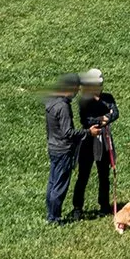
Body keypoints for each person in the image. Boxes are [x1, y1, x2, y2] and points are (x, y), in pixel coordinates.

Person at [44, 74, 92, 225]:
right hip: (63, 150)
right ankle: (55, 218)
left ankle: (50, 214)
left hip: (53, 147)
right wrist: (89, 132)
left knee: (52, 183)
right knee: (60, 185)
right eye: (77, 89)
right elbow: (68, 133)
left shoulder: (51, 103)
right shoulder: (63, 107)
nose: (77, 92)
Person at [72, 67, 120, 218]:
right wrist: (104, 118)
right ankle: (78, 207)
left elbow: (115, 113)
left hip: (104, 140)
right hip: (88, 140)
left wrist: (104, 118)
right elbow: (85, 120)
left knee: (103, 174)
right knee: (83, 175)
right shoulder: (85, 100)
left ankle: (104, 205)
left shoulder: (108, 98)